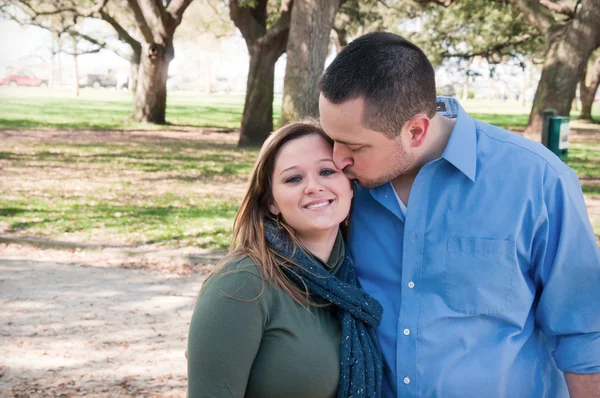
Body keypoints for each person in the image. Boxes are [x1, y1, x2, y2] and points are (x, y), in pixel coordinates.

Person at [318, 32, 600, 398]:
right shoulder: (337, 188)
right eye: (332, 139)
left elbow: (585, 335)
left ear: (416, 130)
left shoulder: (538, 181)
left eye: (355, 146)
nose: (338, 159)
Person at [187, 121, 384, 397]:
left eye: (327, 171)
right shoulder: (242, 283)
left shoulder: (353, 280)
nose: (313, 187)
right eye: (294, 179)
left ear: (350, 186)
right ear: (272, 202)